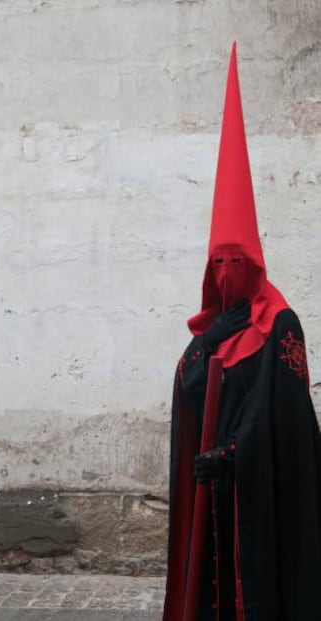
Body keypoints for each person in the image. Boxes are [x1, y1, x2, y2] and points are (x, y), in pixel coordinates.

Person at [162, 43, 321, 621]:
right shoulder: (211, 330)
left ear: (254, 264)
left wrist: (234, 454)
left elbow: (282, 416)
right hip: (214, 496)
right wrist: (205, 342)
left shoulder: (281, 323)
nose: (227, 272)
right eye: (218, 263)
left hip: (259, 499)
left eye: (237, 261)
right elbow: (185, 389)